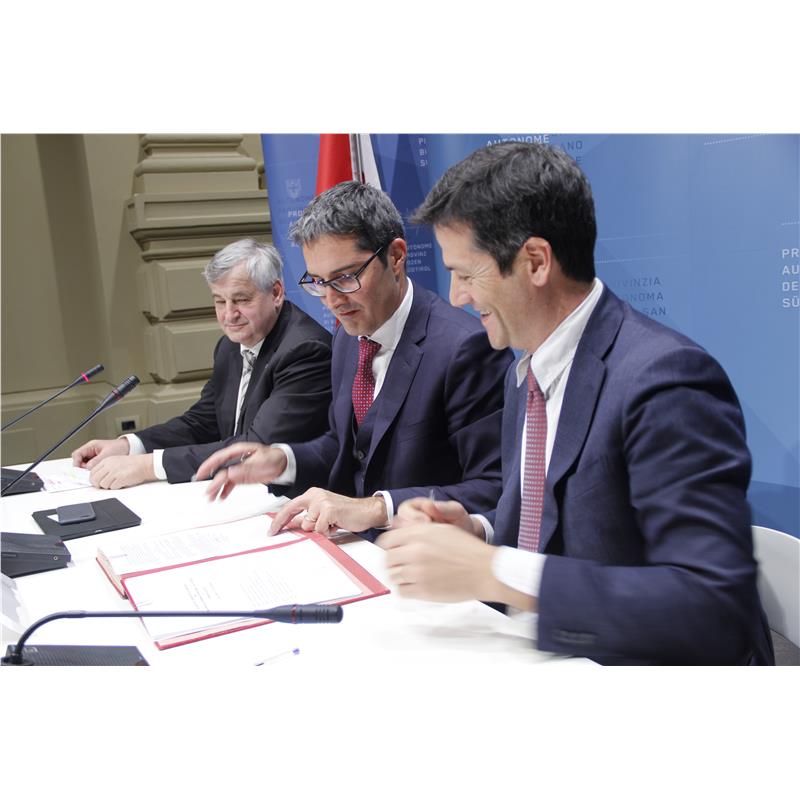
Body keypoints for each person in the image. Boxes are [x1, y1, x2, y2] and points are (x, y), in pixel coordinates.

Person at [379, 141, 774, 665]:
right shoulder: (524, 371)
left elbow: (710, 610)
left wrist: (491, 571)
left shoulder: (665, 380)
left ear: (536, 261)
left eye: (467, 274)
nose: (456, 296)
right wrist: (476, 532)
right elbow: (550, 522)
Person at [194, 181, 513, 537]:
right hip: (353, 546)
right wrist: (284, 460)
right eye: (318, 282)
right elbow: (346, 446)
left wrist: (377, 508)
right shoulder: (348, 338)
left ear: (396, 257)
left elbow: (494, 487)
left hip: (428, 553)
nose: (331, 300)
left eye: (345, 278)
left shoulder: (465, 348)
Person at [71, 238, 332, 488]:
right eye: (219, 301)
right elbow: (203, 422)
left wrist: (149, 466)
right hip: (239, 490)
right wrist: (130, 445)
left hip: (294, 499)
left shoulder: (305, 350)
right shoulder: (229, 346)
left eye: (241, 300)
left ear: (276, 293)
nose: (229, 314)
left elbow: (257, 447)